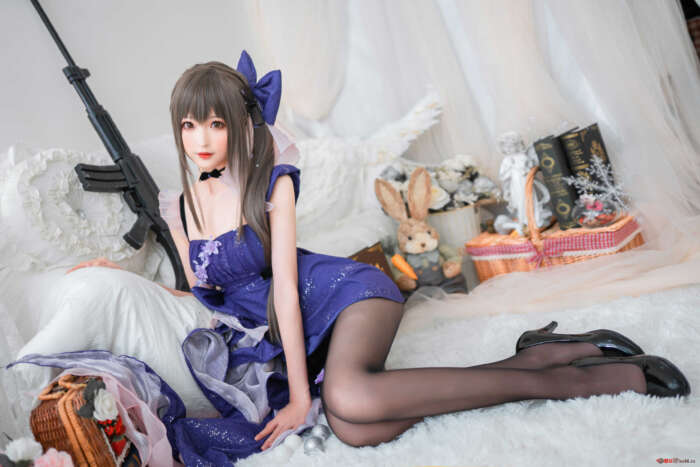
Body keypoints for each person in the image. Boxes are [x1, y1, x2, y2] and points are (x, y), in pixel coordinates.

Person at [53, 52, 691, 464]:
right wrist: (117, 275)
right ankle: (540, 357)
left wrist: (298, 398)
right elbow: (202, 293)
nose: (200, 139)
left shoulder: (271, 184)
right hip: (295, 334)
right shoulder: (183, 204)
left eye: (215, 124)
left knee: (347, 399)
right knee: (358, 428)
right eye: (189, 126)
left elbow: (283, 291)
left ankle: (589, 381)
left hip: (343, 296)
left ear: (241, 126)